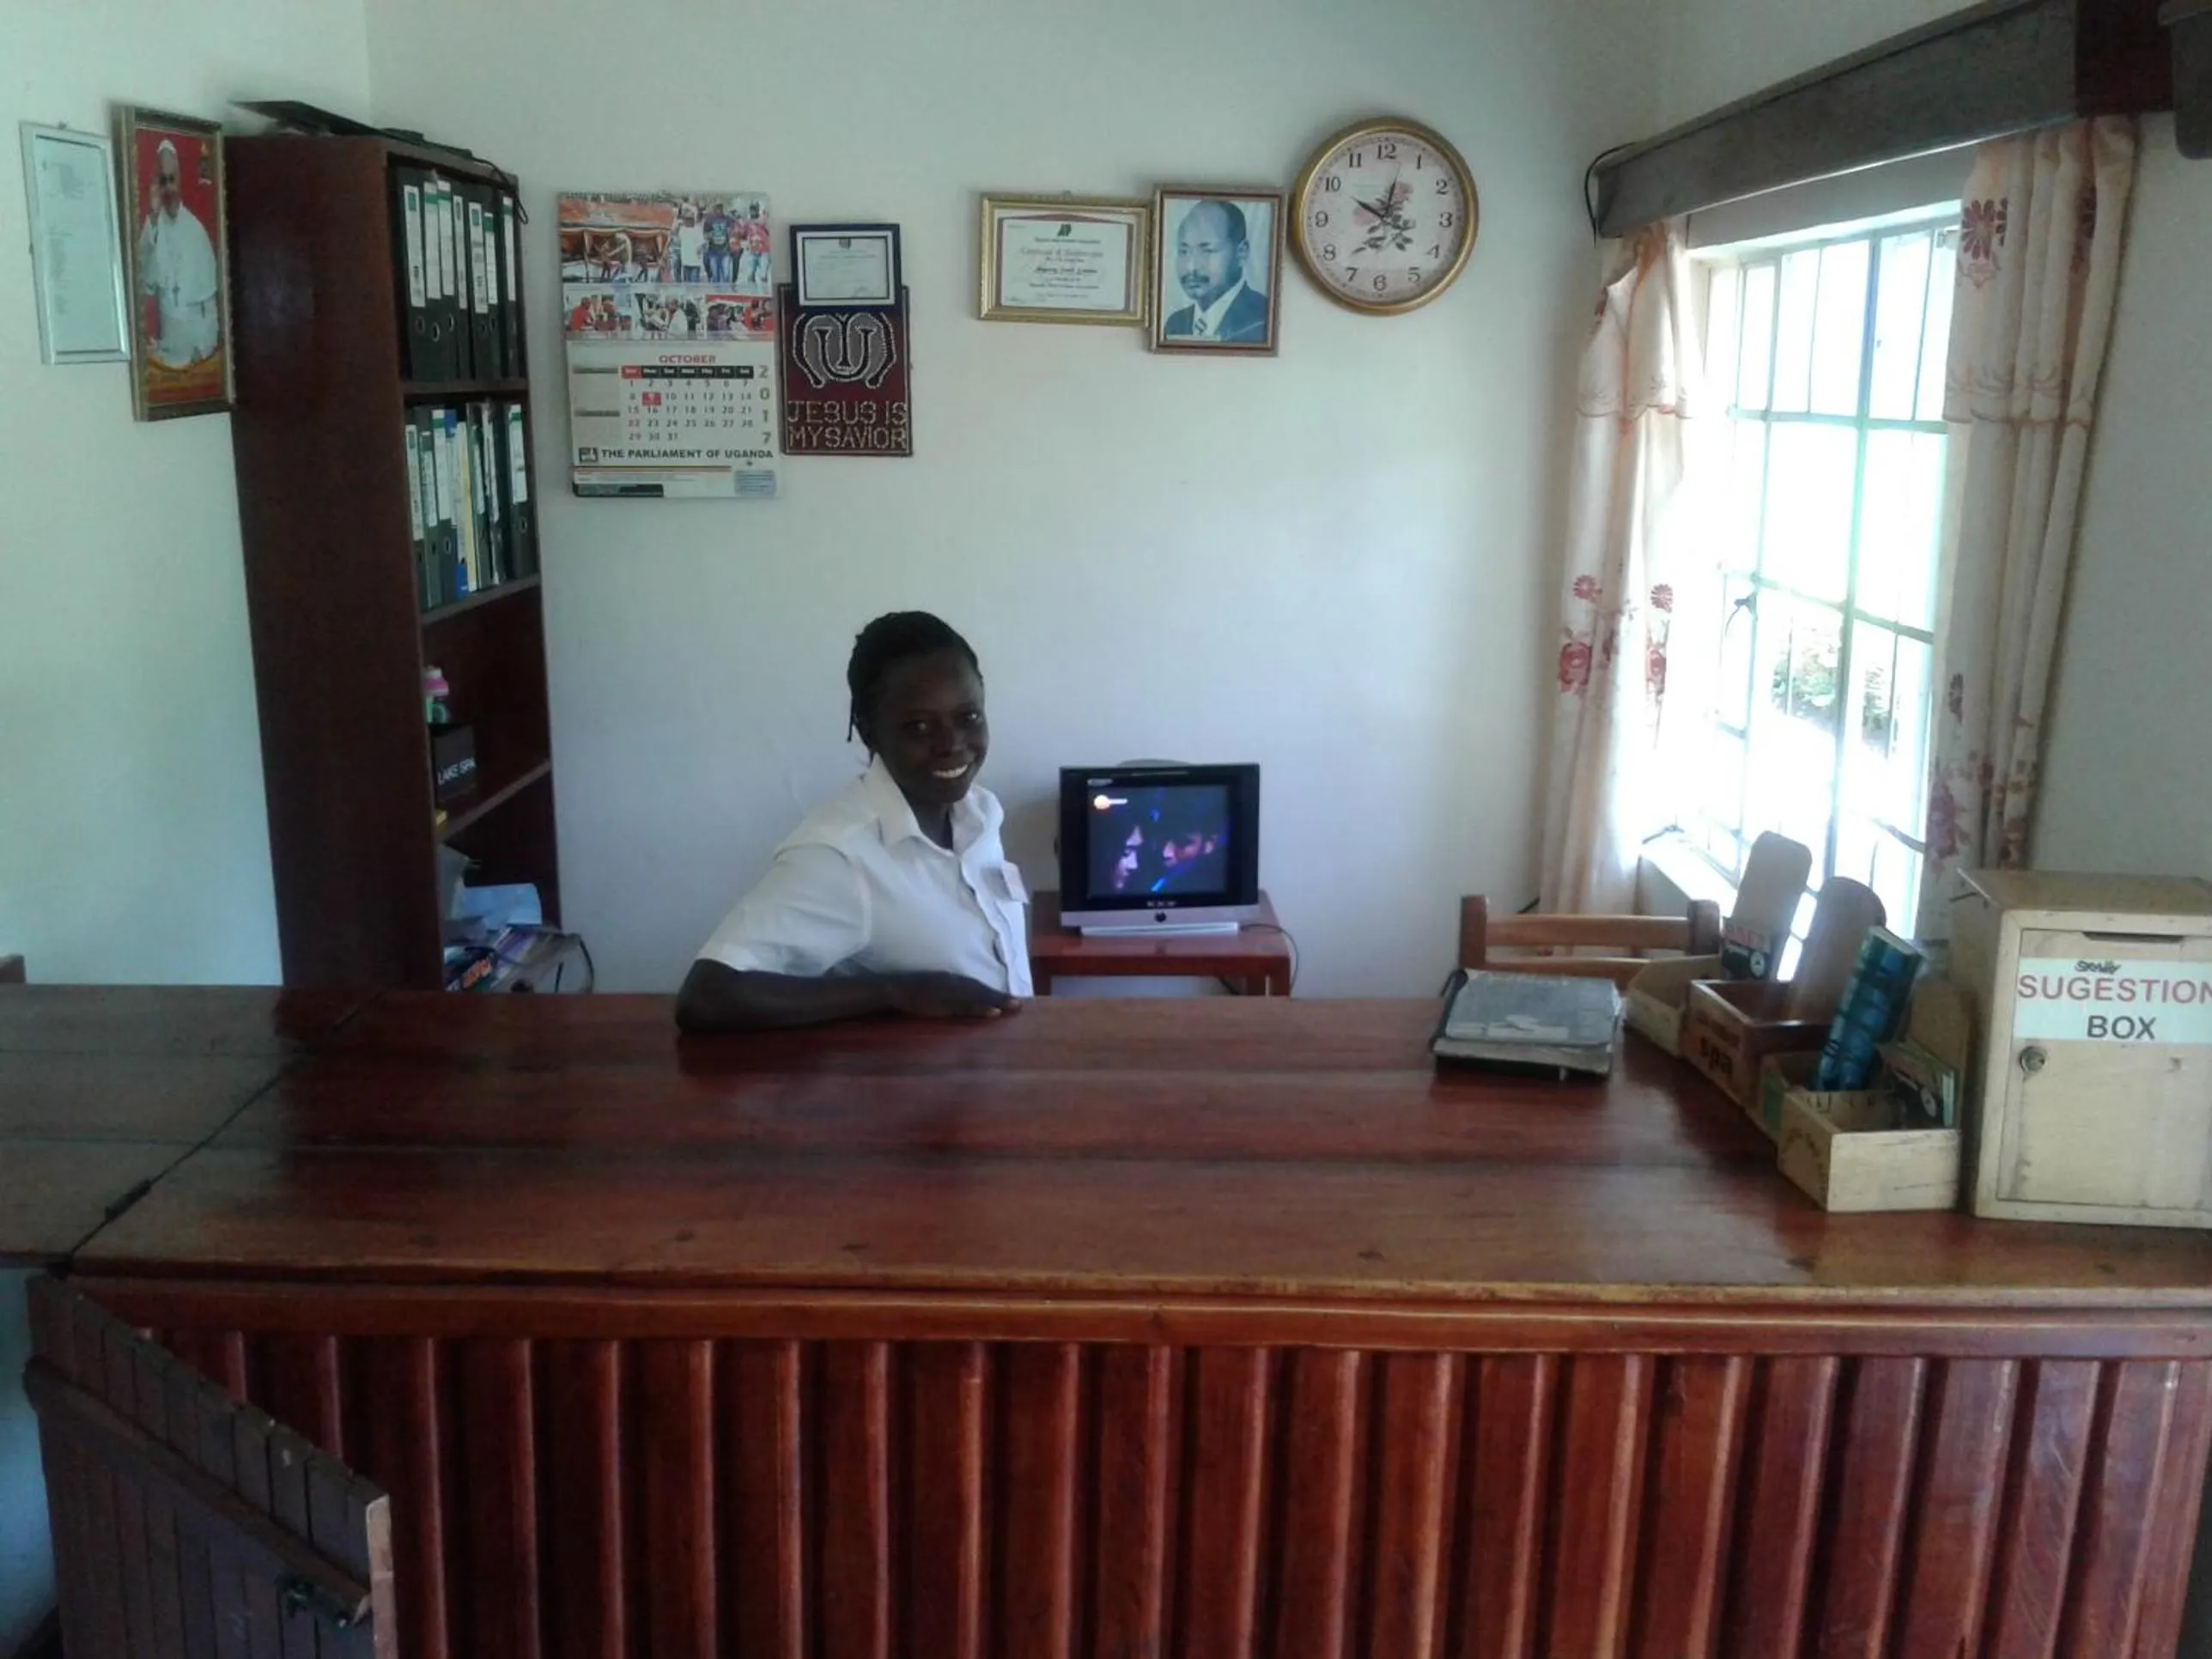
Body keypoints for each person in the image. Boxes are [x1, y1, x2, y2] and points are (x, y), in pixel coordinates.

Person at [676, 612, 1031, 1031]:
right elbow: (706, 996)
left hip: (1001, 1074)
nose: (951, 744)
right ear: (869, 733)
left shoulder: (980, 812)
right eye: (918, 727)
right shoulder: (839, 854)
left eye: (968, 717)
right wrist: (893, 992)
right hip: (918, 1091)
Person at [136, 138, 222, 368]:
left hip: (197, 341)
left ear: (180, 181)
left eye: (172, 179)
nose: (168, 188)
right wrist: (153, 217)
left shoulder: (195, 231)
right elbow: (145, 282)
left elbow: (209, 302)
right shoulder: (154, 225)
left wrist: (201, 347)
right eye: (162, 181)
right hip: (168, 339)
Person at [1161, 199, 1268, 344]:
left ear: (1242, 252)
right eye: (1184, 251)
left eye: (1207, 251)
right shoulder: (1176, 324)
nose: (1191, 267)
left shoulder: (1262, 319)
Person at [702, 201, 737, 284]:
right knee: (715, 276)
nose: (719, 210)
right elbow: (705, 235)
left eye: (720, 207)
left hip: (726, 251)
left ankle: (726, 295)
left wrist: (730, 232)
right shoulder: (709, 220)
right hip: (713, 252)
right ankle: (716, 294)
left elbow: (732, 232)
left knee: (726, 275)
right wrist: (711, 234)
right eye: (717, 208)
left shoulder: (728, 219)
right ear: (714, 209)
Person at [672, 202, 706, 285]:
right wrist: (677, 220)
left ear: (693, 220)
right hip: (685, 262)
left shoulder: (697, 230)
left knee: (694, 285)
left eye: (690, 219)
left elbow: (702, 244)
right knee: (687, 286)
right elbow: (674, 235)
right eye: (686, 219)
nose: (688, 221)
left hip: (695, 263)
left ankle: (694, 298)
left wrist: (700, 249)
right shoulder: (682, 230)